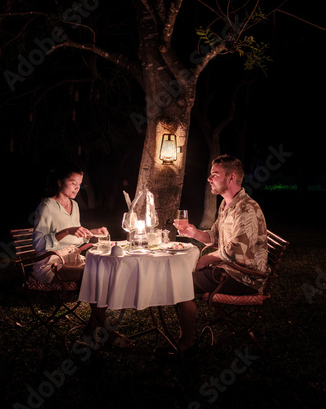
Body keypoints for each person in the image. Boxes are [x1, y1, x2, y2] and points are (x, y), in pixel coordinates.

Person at [156, 154, 268, 360]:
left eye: (215, 174)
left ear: (231, 178)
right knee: (180, 277)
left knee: (179, 281)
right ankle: (186, 339)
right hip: (229, 270)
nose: (209, 179)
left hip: (245, 278)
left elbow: (236, 251)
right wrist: (193, 232)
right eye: (210, 174)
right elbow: (215, 237)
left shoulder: (247, 208)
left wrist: (206, 259)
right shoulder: (227, 205)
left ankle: (187, 344)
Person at [33, 163, 134, 349]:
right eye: (72, 183)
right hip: (49, 263)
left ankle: (88, 335)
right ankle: (108, 334)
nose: (76, 188)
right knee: (94, 275)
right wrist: (67, 231)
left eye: (79, 184)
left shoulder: (75, 205)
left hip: (71, 259)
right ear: (60, 182)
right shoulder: (47, 206)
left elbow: (75, 240)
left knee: (104, 272)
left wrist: (92, 233)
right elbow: (38, 244)